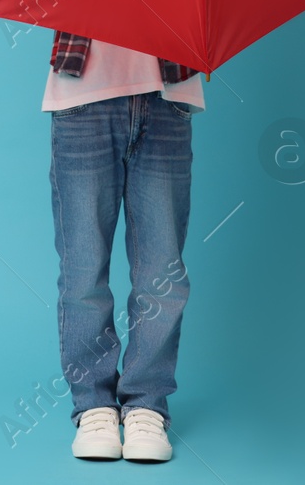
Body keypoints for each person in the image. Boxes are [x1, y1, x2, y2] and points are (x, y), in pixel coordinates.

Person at [43, 28, 204, 463]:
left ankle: (146, 405)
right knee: (82, 267)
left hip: (169, 96)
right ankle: (93, 404)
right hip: (83, 96)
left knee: (163, 271)